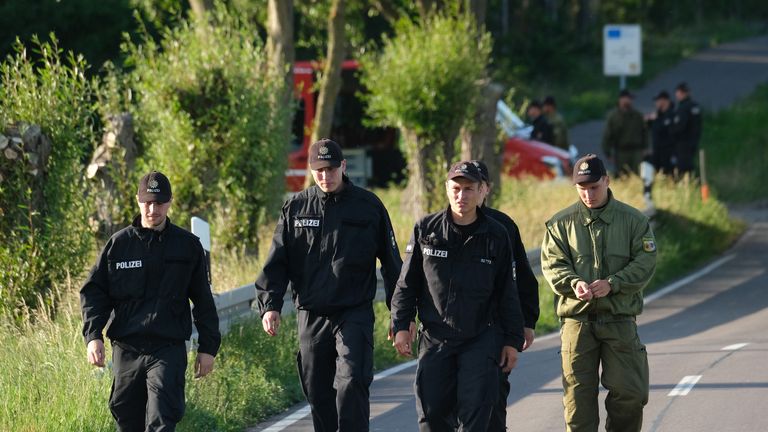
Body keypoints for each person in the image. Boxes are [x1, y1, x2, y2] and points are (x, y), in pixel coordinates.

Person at [256, 139, 403, 432]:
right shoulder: (295, 208)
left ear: (343, 167)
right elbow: (277, 261)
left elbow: (392, 265)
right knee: (317, 391)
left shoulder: (369, 206)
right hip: (311, 313)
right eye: (319, 170)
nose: (326, 176)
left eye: (332, 169)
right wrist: (269, 305)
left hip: (354, 312)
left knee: (352, 381)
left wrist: (399, 316)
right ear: (311, 171)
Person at [80, 171, 221, 431]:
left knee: (161, 419)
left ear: (170, 202)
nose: (153, 209)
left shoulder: (188, 246)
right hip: (127, 347)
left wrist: (208, 347)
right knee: (127, 417)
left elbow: (203, 300)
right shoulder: (118, 245)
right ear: (138, 200)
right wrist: (93, 336)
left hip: (167, 347)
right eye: (147, 202)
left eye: (159, 202)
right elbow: (94, 293)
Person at [391, 161, 525, 432]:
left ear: (482, 191)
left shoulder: (497, 235)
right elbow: (407, 284)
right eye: (456, 188)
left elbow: (507, 293)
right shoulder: (426, 230)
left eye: (468, 189)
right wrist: (401, 324)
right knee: (432, 415)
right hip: (436, 338)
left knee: (477, 415)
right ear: (446, 189)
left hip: (480, 339)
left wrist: (512, 341)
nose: (461, 196)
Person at [541, 154, 657, 432]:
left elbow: (645, 262)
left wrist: (613, 283)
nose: (588, 194)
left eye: (594, 186)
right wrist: (574, 284)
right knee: (578, 406)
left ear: (607, 180)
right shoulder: (560, 224)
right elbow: (552, 264)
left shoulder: (633, 221)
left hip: (619, 320)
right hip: (577, 324)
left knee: (631, 394)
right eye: (582, 188)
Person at [470, 159, 539, 431]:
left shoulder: (502, 227)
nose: (467, 192)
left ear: (485, 188)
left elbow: (521, 275)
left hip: (496, 327)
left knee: (494, 397)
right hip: (451, 331)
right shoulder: (438, 226)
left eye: (475, 185)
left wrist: (527, 321)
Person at [601, 89, 648, 177]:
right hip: (621, 152)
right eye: (627, 98)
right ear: (621, 99)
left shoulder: (637, 115)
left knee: (636, 175)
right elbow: (607, 135)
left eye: (630, 99)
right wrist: (607, 153)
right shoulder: (613, 116)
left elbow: (645, 132)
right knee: (621, 175)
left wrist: (646, 148)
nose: (629, 101)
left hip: (636, 151)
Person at [671, 82, 702, 177]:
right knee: (690, 164)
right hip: (693, 141)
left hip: (683, 143)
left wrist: (672, 132)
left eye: (680, 93)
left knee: (683, 168)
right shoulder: (695, 106)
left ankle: (686, 184)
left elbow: (679, 126)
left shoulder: (683, 108)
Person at [645, 90, 676, 175]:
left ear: (664, 100)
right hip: (656, 152)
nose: (656, 103)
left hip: (668, 153)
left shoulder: (672, 114)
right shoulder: (657, 115)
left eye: (658, 100)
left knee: (668, 175)